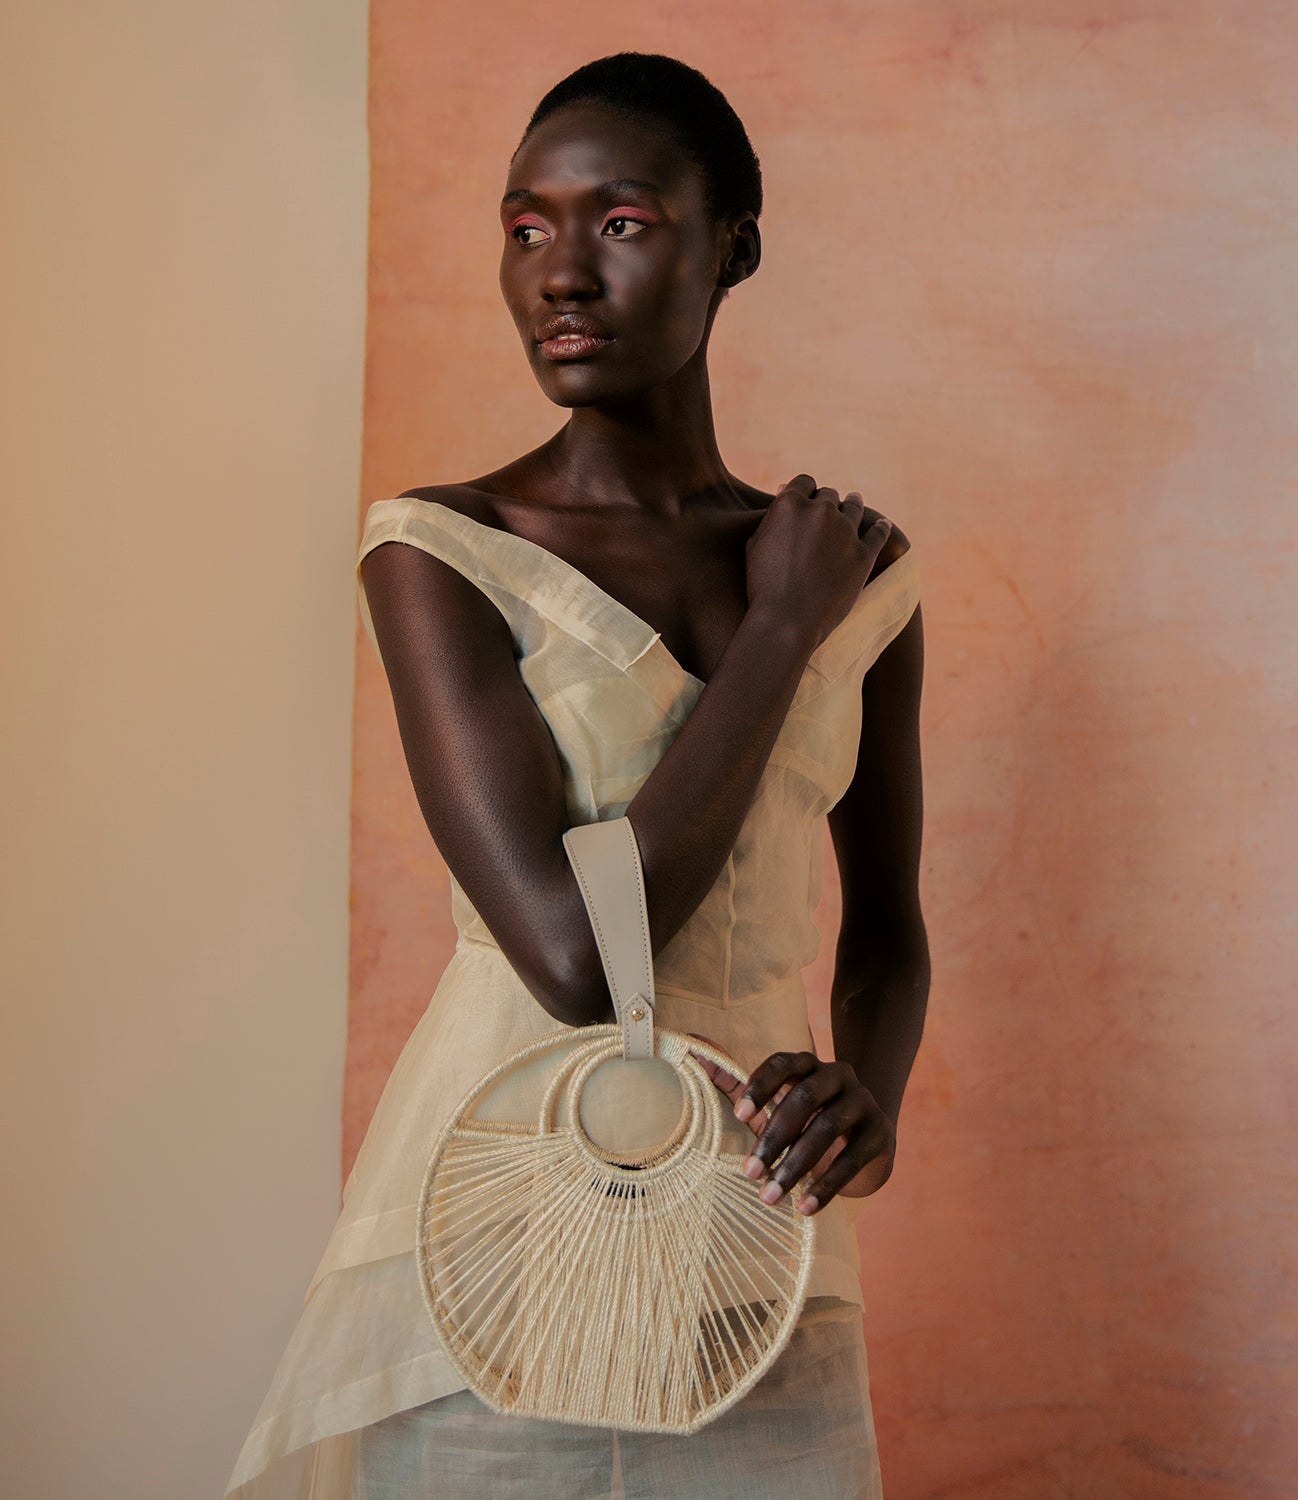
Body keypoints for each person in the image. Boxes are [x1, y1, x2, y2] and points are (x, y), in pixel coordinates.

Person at [224, 50, 929, 1500]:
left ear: (730, 246)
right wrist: (776, 633)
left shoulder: (860, 578)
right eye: (525, 225)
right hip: (492, 1240)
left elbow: (893, 932)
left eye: (618, 223)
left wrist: (873, 1101)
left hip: (759, 1251)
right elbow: (570, 946)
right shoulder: (436, 550)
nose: (560, 273)